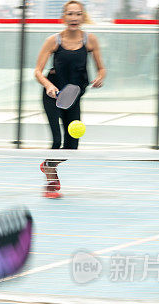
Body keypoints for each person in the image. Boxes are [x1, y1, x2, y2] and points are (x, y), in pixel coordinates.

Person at [34, 0, 106, 198]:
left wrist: (100, 76)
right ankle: (50, 183)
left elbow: (101, 68)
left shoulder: (90, 41)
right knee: (57, 141)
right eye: (70, 14)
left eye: (78, 14)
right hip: (53, 95)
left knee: (72, 145)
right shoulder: (53, 41)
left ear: (83, 17)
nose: (74, 18)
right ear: (64, 17)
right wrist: (48, 86)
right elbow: (38, 72)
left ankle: (49, 165)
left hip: (74, 96)